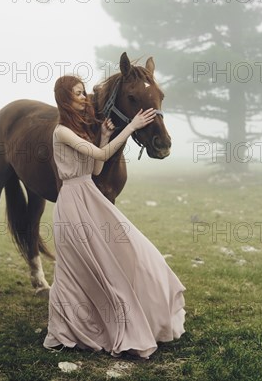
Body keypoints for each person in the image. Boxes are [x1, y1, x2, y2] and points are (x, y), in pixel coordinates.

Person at [43, 75, 186, 359]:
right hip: (72, 203)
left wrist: (106, 135)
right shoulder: (61, 132)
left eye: (84, 92)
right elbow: (102, 153)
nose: (83, 97)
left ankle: (140, 307)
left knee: (131, 249)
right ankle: (67, 329)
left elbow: (96, 169)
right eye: (77, 93)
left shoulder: (80, 131)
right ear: (64, 98)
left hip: (90, 199)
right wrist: (130, 127)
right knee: (72, 270)